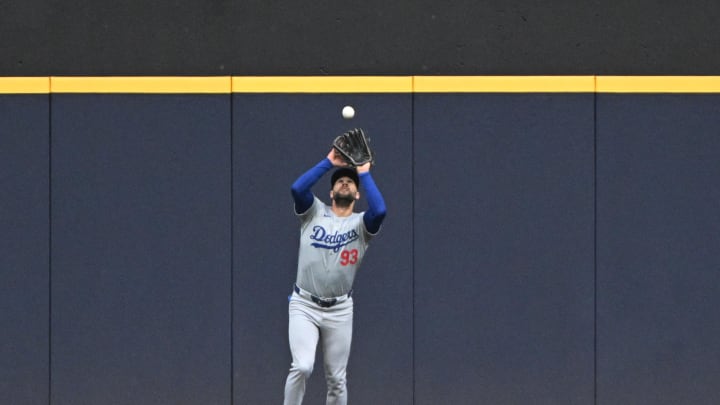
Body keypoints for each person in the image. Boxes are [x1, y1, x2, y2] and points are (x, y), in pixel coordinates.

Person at [284, 147, 387, 405]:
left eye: (349, 182)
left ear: (357, 193)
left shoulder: (362, 224)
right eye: (339, 181)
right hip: (304, 304)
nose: (344, 182)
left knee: (337, 380)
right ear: (330, 192)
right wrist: (328, 162)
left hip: (340, 309)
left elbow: (381, 210)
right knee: (303, 366)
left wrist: (363, 173)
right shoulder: (313, 212)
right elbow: (297, 189)